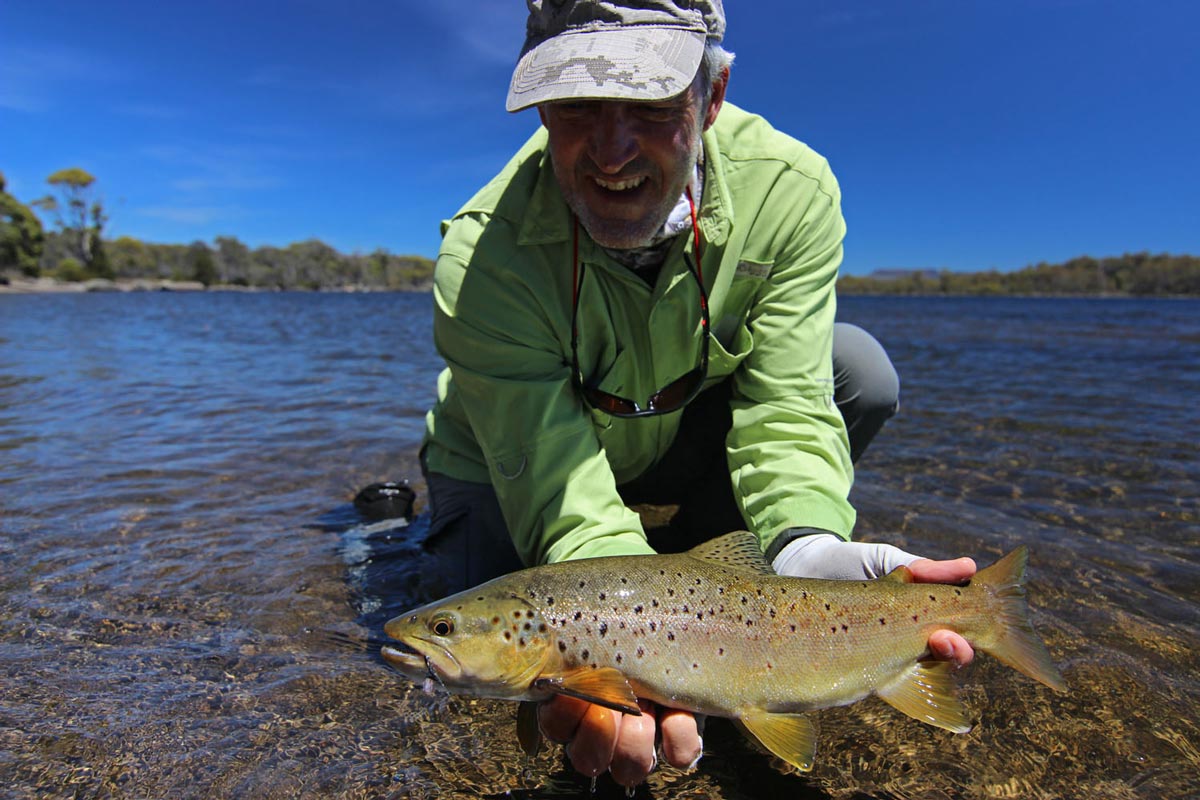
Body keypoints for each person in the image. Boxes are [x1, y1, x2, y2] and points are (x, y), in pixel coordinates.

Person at [417, 0, 976, 787]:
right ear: (540, 107)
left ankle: (730, 567)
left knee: (859, 369)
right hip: (507, 452)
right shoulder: (482, 256)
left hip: (673, 426)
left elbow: (787, 404)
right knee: (461, 617)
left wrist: (808, 547)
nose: (612, 151)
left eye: (650, 104)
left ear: (710, 98)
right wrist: (617, 640)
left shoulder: (793, 191)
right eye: (576, 105)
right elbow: (553, 477)